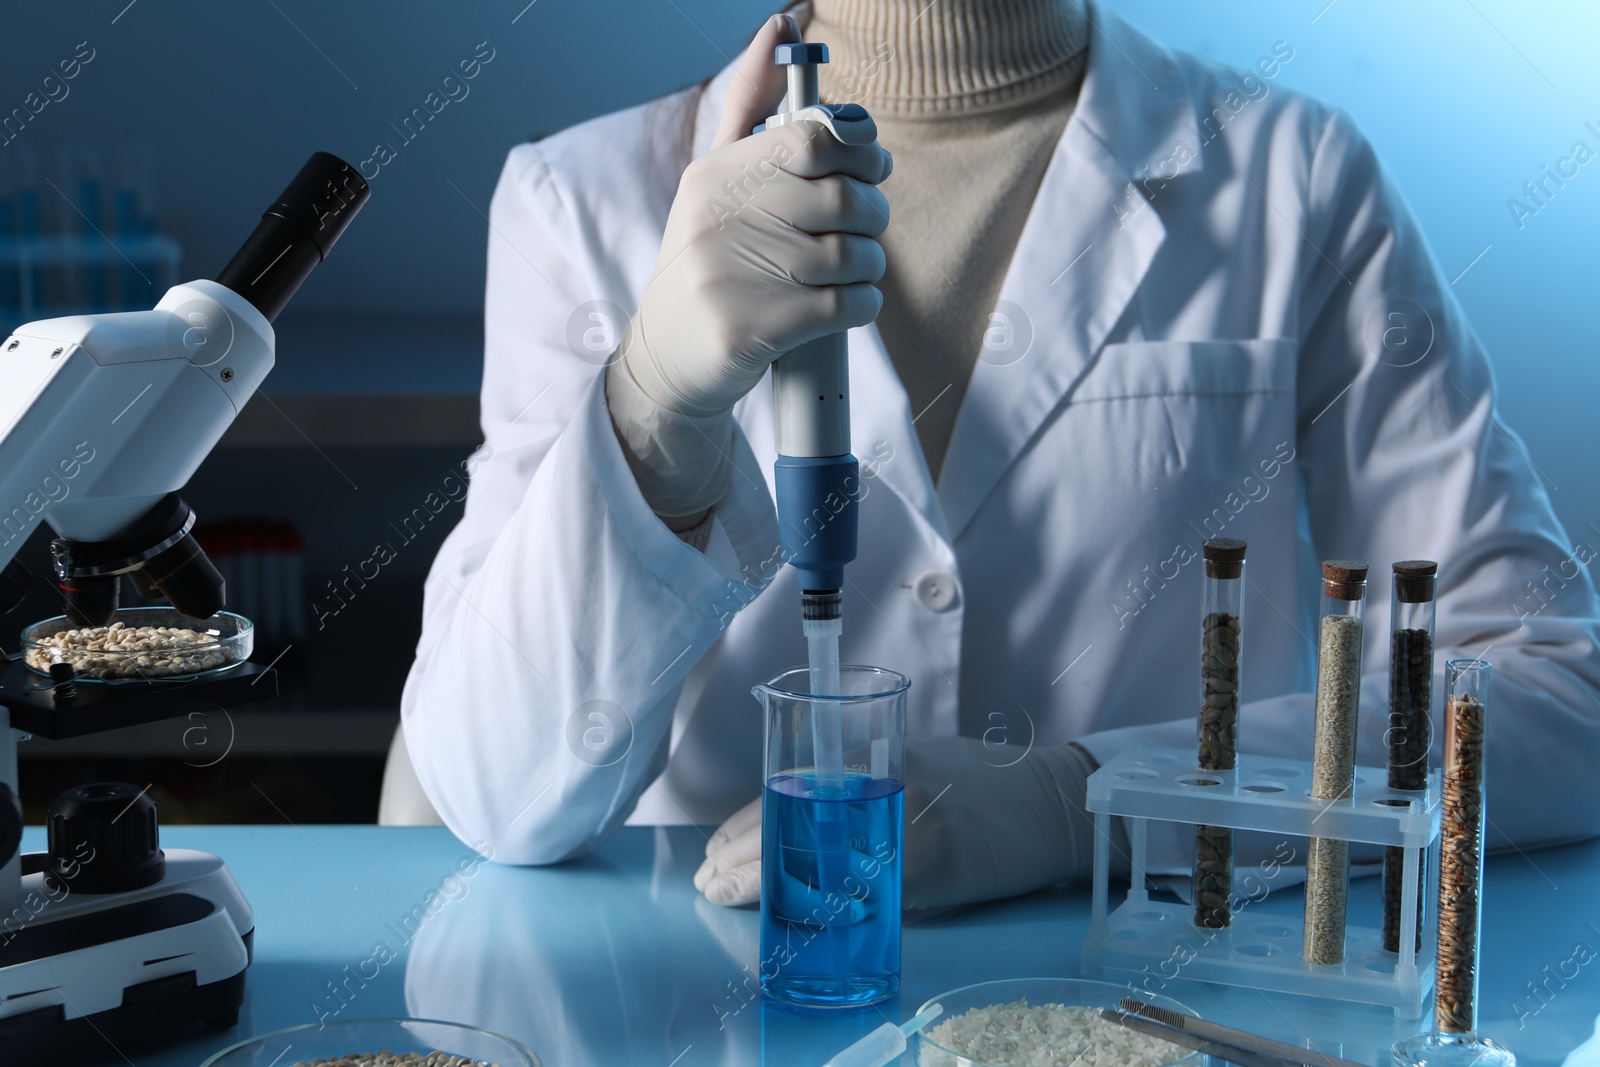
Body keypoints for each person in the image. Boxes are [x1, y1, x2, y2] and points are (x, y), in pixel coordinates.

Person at [390, 0, 1600, 911]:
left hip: (1145, 995)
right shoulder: (582, 198)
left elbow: (1552, 697)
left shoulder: (1295, 177)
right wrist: (650, 402)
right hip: (703, 999)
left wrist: (1082, 801)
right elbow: (503, 794)